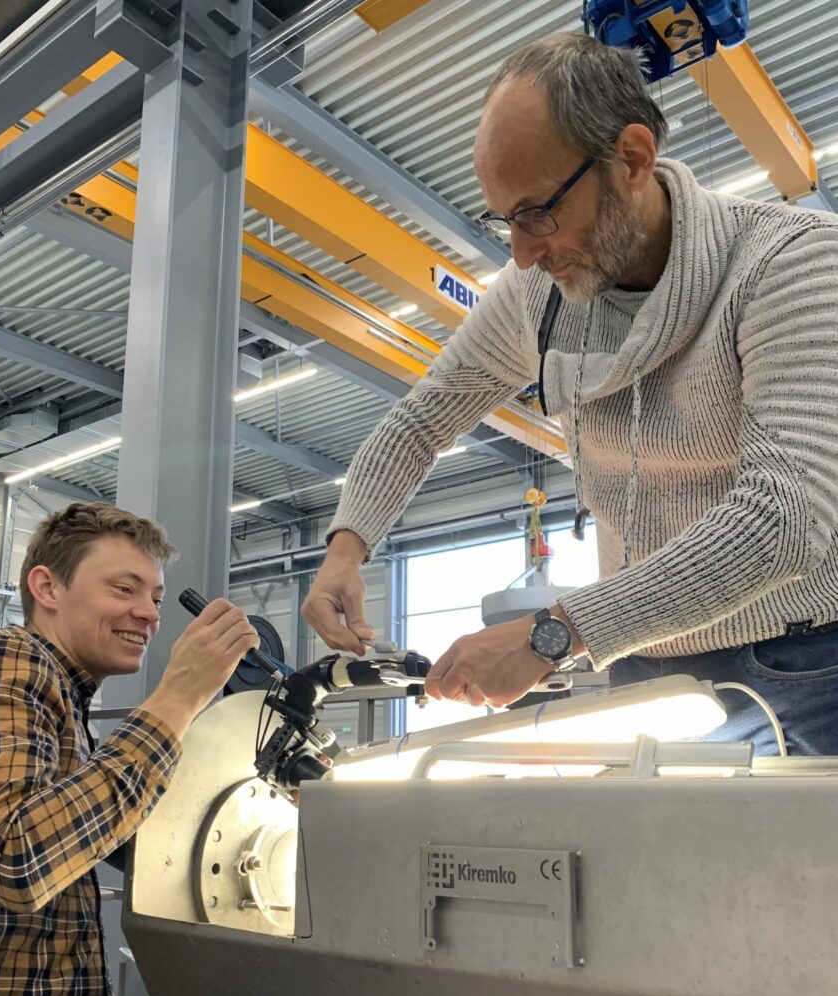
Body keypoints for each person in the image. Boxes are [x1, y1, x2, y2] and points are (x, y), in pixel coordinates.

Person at [302, 32, 838, 757]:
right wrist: (345, 546)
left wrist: (554, 632)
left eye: (536, 212)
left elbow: (784, 519)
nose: (521, 253)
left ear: (633, 159)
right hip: (640, 661)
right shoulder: (539, 297)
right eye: (504, 221)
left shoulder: (792, 261)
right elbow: (420, 421)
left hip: (800, 668)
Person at [0, 502, 258, 996]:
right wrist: (176, 698)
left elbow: (93, 833)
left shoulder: (64, 701)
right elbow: (18, 855)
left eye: (155, 597)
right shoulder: (5, 657)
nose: (151, 613)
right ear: (47, 588)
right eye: (124, 588)